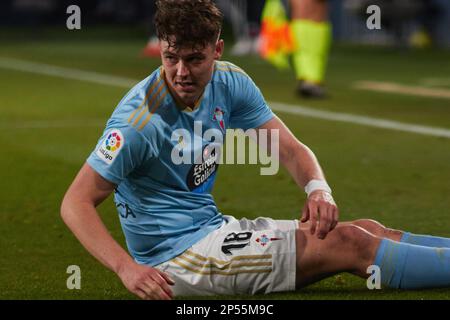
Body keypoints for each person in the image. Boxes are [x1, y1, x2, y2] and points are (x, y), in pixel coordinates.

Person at [61, 0, 450, 300]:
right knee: (351, 243)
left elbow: (290, 149)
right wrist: (127, 269)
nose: (181, 72)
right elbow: (75, 203)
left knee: (368, 228)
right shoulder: (139, 120)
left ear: (217, 49)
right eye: (170, 58)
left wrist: (318, 189)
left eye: (194, 59)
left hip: (213, 230)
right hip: (175, 262)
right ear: (161, 49)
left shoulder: (230, 81)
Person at [290, 0, 331, 98]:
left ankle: (306, 79)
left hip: (299, 25)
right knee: (312, 52)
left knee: (303, 53)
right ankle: (310, 81)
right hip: (313, 24)